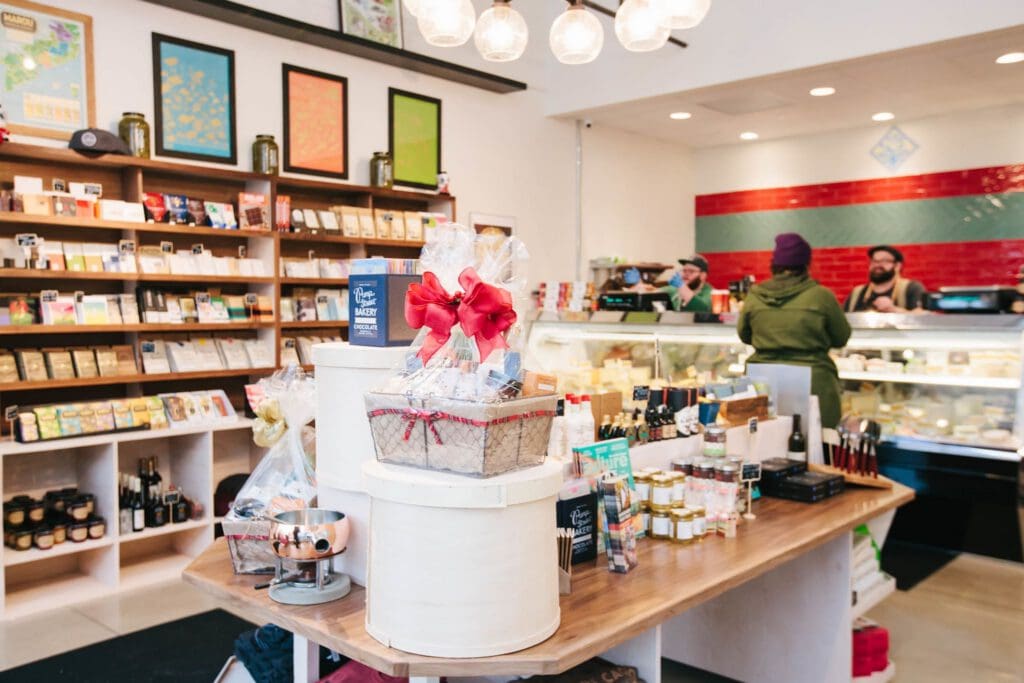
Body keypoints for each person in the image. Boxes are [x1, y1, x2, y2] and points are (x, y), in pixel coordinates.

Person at [737, 233, 851, 428]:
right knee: (815, 446)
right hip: (814, 380)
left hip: (761, 380)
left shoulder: (754, 295)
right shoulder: (821, 296)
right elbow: (841, 337)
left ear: (774, 264)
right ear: (806, 264)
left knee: (761, 442)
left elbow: (744, 335)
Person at [843, 245, 926, 312]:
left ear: (897, 266)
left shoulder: (912, 288)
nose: (877, 265)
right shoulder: (857, 292)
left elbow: (922, 319)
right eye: (874, 261)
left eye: (884, 261)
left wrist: (894, 309)